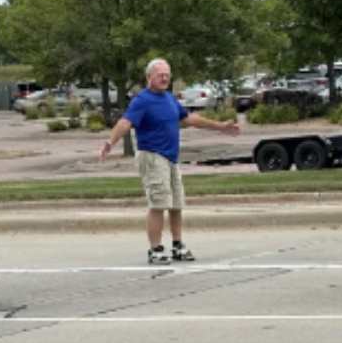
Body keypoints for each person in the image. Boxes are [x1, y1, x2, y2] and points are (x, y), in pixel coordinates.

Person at [99, 58, 240, 265]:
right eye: (160, 75)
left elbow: (189, 119)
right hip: (152, 156)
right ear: (149, 77)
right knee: (158, 203)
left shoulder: (169, 99)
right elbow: (125, 123)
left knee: (175, 204)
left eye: (167, 74)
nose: (165, 78)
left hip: (170, 157)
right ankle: (155, 249)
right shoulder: (142, 100)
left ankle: (177, 245)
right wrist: (111, 142)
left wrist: (220, 126)